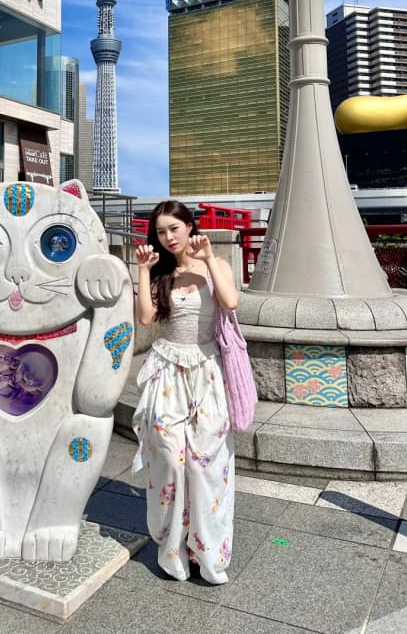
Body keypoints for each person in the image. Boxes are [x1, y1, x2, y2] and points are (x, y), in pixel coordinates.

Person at [132, 200, 239, 584]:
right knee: (171, 462)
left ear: (190, 226)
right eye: (161, 232)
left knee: (204, 463)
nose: (168, 237)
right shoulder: (161, 273)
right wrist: (143, 271)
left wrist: (209, 259)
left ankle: (207, 552)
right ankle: (172, 548)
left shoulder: (216, 265)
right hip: (167, 374)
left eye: (174, 228)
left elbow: (231, 302)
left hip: (207, 371)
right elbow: (145, 318)